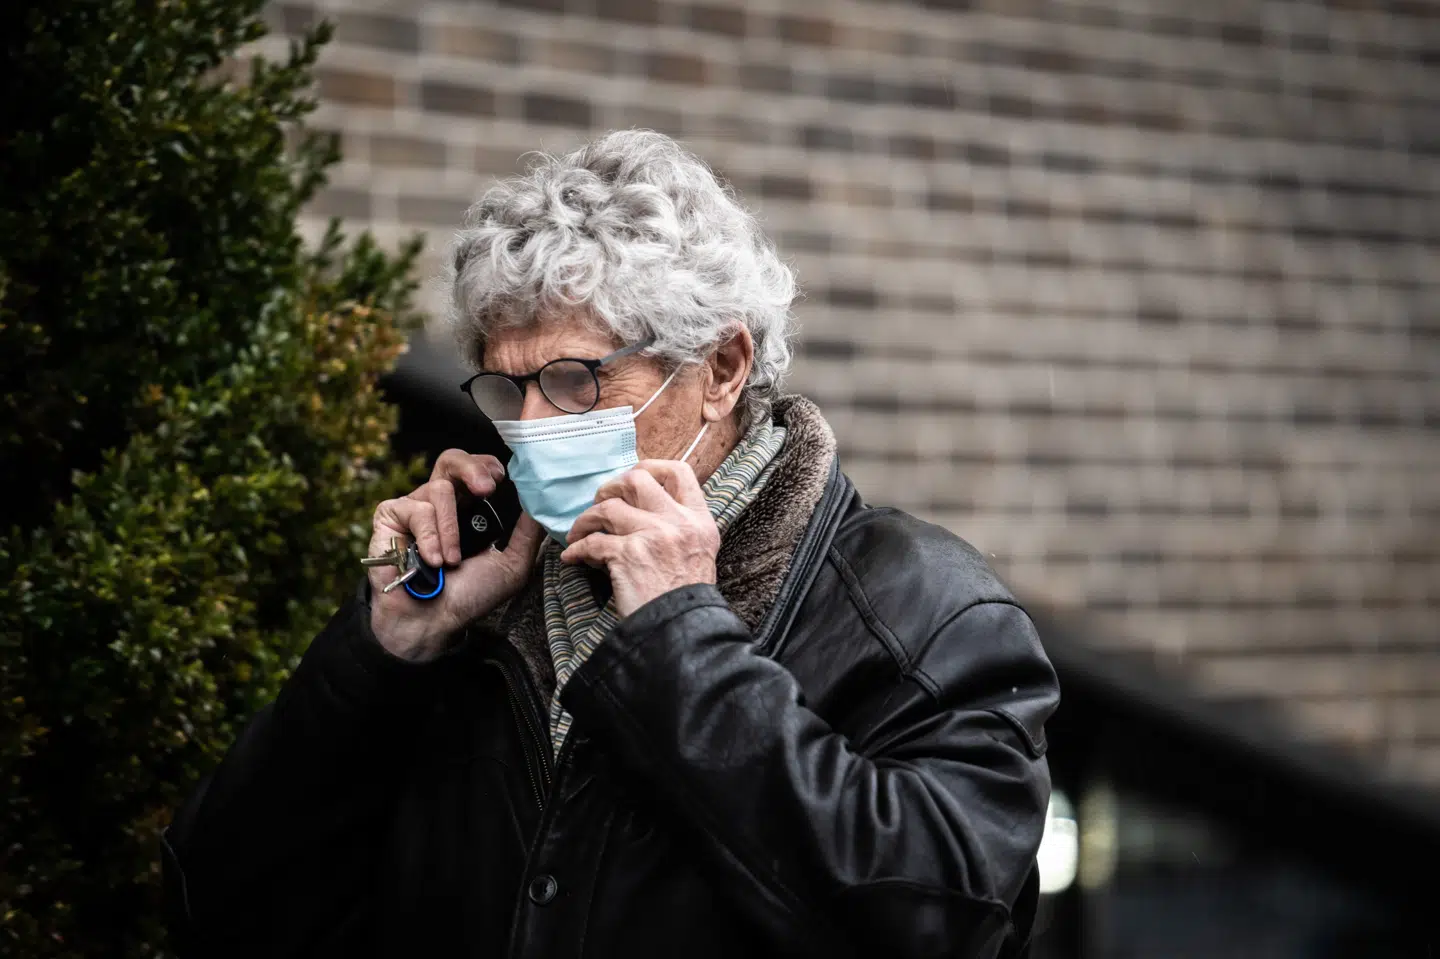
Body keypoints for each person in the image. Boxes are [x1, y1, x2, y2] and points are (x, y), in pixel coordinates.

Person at [163, 130, 1060, 959]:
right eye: (509, 391)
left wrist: (681, 641)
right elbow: (227, 904)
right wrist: (383, 651)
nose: (534, 427)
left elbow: (942, 921)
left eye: (574, 379)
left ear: (720, 368)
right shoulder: (476, 599)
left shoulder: (924, 608)